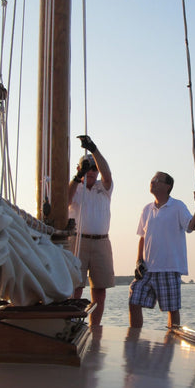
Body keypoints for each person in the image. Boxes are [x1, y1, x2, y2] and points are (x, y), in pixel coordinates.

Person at [129, 172, 195, 328]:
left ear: (167, 186)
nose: (152, 182)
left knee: (172, 309)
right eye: (152, 179)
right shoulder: (147, 209)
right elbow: (142, 237)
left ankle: (172, 340)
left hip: (169, 268)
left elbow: (191, 226)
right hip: (147, 269)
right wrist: (138, 261)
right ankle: (135, 338)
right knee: (133, 300)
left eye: (157, 180)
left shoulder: (177, 206)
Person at [68, 135, 115, 326]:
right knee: (75, 287)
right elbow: (66, 200)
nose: (92, 171)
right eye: (87, 168)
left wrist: (94, 150)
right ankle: (71, 323)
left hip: (101, 242)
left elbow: (107, 175)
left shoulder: (103, 188)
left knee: (100, 290)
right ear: (79, 169)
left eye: (94, 168)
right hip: (78, 241)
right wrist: (78, 177)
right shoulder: (74, 188)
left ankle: (95, 327)